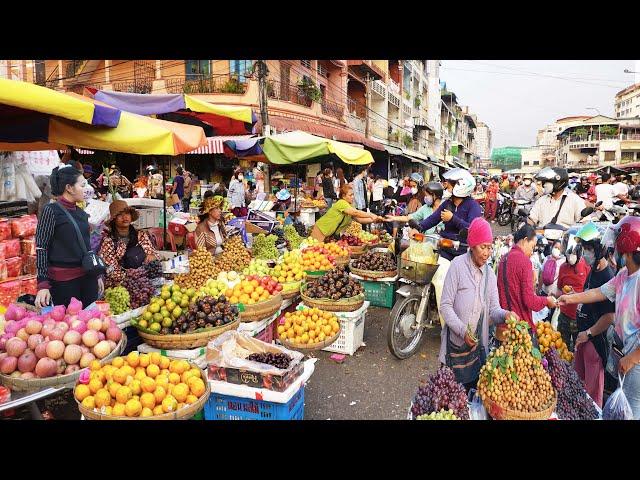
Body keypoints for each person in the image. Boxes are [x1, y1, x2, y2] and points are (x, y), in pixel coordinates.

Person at [558, 216, 640, 418]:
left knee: (632, 411)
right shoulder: (623, 275)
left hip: (636, 361)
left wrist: (633, 358)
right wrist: (569, 299)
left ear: (626, 250)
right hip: (623, 353)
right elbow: (598, 293)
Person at [439, 217, 518, 389]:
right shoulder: (457, 266)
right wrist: (462, 331)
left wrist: (506, 315)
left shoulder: (490, 275)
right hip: (455, 347)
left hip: (476, 351)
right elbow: (445, 306)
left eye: (489, 248)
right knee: (448, 393)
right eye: (483, 247)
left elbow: (494, 310)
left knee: (470, 397)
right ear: (473, 246)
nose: (487, 253)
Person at [411, 169, 482, 323]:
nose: (446, 186)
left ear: (461, 185)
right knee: (438, 279)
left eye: (449, 184)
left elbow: (473, 229)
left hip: (464, 253)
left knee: (462, 291)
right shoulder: (447, 204)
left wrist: (453, 219)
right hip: (446, 250)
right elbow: (432, 219)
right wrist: (418, 228)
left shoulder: (473, 206)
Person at [35, 165, 104, 308]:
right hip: (64, 283)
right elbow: (42, 247)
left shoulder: (81, 213)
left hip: (87, 279)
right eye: (82, 185)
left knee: (91, 325)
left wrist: (96, 274)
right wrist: (43, 284)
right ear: (69, 188)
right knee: (69, 325)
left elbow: (86, 246)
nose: (86, 189)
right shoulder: (51, 211)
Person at [567, 222, 616, 408]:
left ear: (599, 249)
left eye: (589, 249)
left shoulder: (608, 277)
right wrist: (573, 297)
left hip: (594, 343)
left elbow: (610, 316)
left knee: (591, 399)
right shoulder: (593, 271)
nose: (585, 253)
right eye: (584, 248)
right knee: (578, 387)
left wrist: (588, 333)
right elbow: (588, 295)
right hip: (583, 339)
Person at [497, 225, 557, 330]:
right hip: (520, 327)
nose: (532, 251)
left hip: (504, 323)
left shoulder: (504, 258)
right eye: (532, 246)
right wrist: (547, 301)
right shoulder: (525, 261)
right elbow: (529, 300)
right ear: (525, 240)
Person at [99, 201, 159, 286]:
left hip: (144, 279)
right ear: (114, 219)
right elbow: (111, 269)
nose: (125, 217)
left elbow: (152, 252)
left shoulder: (140, 235)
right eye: (120, 215)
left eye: (127, 213)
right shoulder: (109, 241)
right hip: (121, 283)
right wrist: (131, 278)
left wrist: (152, 256)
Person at [556, 232, 591, 351]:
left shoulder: (586, 266)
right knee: (561, 348)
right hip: (564, 315)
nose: (571, 256)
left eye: (573, 253)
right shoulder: (563, 267)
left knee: (578, 349)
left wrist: (576, 293)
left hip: (579, 317)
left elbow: (591, 291)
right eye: (569, 254)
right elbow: (559, 289)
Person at [311, 185, 383, 242]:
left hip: (330, 234)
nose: (352, 197)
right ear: (343, 196)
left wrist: (374, 220)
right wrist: (371, 215)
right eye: (350, 195)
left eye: (353, 195)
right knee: (314, 254)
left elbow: (360, 220)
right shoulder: (341, 203)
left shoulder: (349, 206)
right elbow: (355, 212)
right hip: (321, 229)